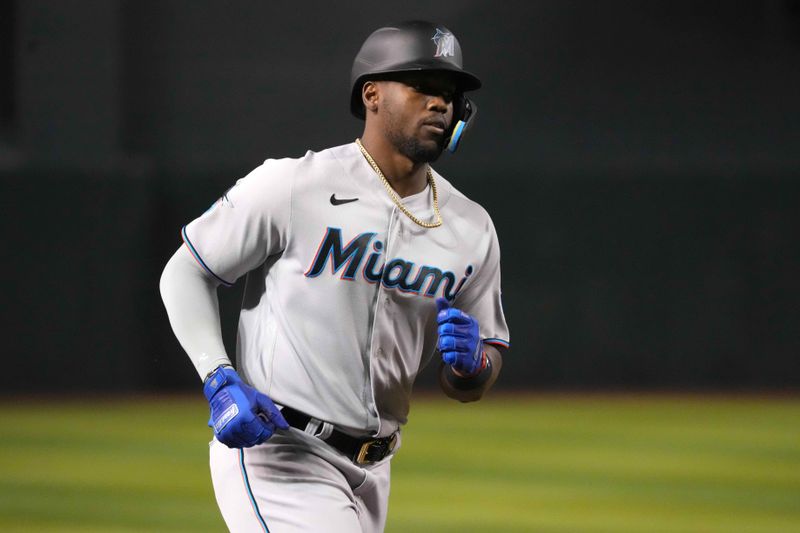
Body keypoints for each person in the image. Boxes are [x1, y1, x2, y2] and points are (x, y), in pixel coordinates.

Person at [159, 20, 509, 533]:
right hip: (280, 450)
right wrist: (217, 376)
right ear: (372, 94)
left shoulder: (470, 227)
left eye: (451, 94)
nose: (441, 103)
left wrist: (474, 368)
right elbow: (185, 270)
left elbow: (479, 371)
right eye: (423, 87)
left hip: (375, 468)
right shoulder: (295, 184)